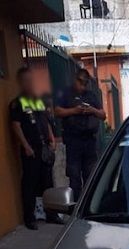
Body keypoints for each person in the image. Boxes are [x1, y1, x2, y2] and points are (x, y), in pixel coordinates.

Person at [9, 67, 61, 230]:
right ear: (20, 82)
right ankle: (30, 218)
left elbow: (45, 122)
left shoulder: (38, 101)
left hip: (44, 148)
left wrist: (52, 140)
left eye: (31, 80)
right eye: (26, 80)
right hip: (30, 150)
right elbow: (16, 126)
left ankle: (51, 215)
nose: (29, 83)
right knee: (30, 184)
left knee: (48, 184)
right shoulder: (17, 103)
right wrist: (25, 146)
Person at [55, 69, 106, 201]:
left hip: (89, 142)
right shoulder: (66, 94)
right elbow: (57, 112)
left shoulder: (91, 95)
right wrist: (74, 110)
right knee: (74, 177)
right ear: (75, 79)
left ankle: (89, 203)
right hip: (73, 141)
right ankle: (76, 205)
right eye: (81, 82)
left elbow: (103, 115)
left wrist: (92, 110)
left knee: (90, 177)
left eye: (85, 83)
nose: (83, 86)